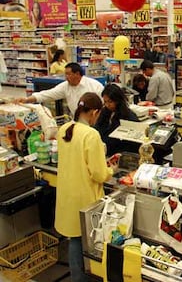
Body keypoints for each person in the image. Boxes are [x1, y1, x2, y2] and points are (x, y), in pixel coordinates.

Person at [55, 92, 117, 281]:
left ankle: (78, 276)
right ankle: (80, 277)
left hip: (67, 192)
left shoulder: (64, 128)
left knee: (74, 237)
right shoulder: (91, 134)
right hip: (84, 195)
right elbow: (99, 174)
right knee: (81, 240)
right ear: (95, 112)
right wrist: (112, 170)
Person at [16, 62, 104, 116]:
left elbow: (104, 105)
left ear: (77, 74)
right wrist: (27, 99)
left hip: (94, 121)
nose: (66, 77)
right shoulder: (65, 86)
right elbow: (48, 94)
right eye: (65, 74)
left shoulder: (94, 86)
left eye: (68, 74)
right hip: (77, 121)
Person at [94, 84, 139, 156]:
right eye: (105, 102)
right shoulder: (104, 112)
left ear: (117, 100)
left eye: (110, 102)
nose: (107, 105)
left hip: (119, 153)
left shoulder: (128, 116)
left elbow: (130, 143)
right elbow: (98, 129)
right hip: (102, 150)